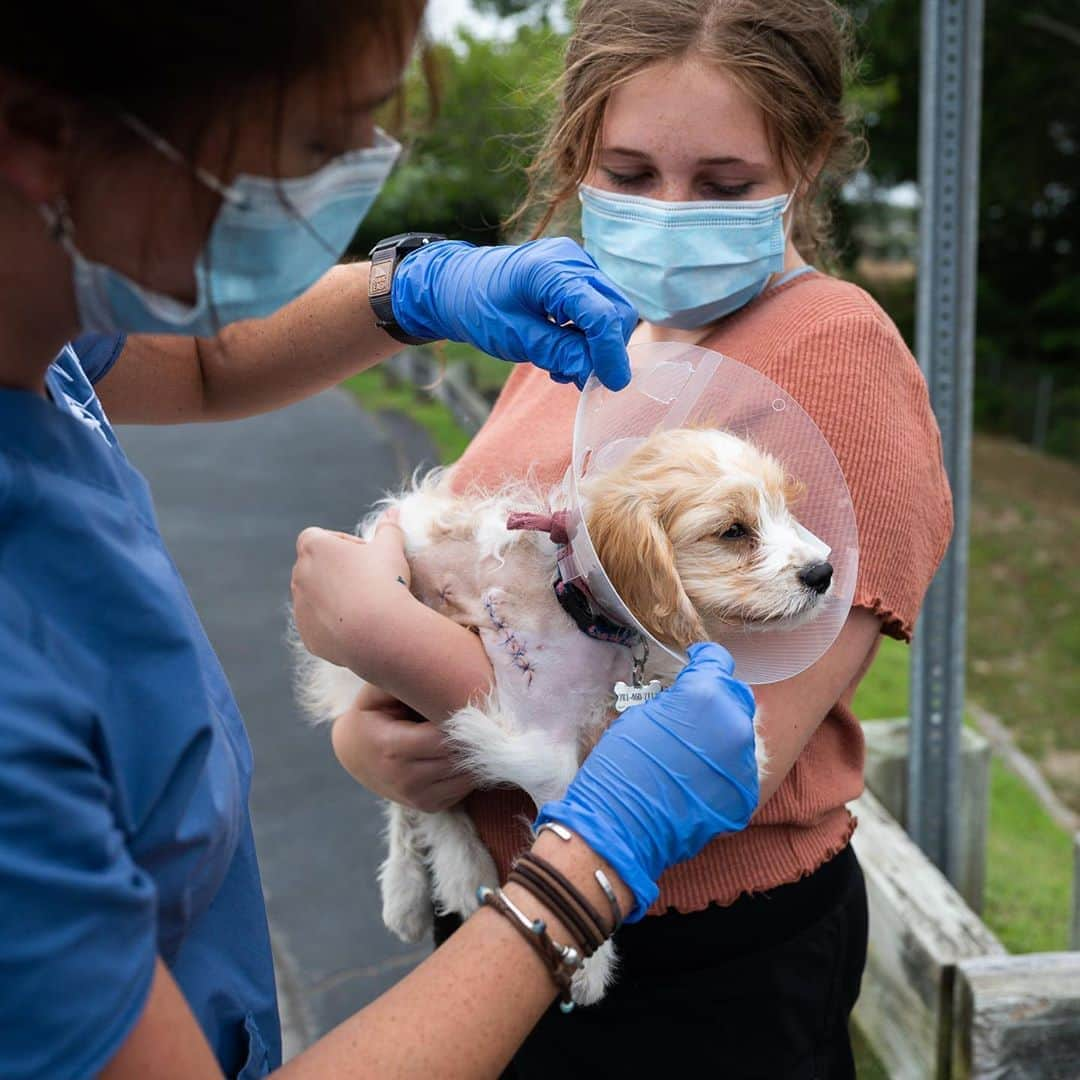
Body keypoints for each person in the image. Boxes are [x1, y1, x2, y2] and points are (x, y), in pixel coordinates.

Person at [0, 5, 762, 1078]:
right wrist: (582, 868)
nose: (338, 187)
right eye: (314, 146)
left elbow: (205, 363)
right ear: (43, 134)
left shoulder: (37, 327)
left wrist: (412, 288)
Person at [328, 1, 954, 1077]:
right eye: (625, 172)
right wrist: (375, 746)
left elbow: (721, 757)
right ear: (577, 159)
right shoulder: (574, 333)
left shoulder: (833, 355)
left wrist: (377, 640)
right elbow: (463, 555)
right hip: (495, 925)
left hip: (685, 967)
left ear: (803, 162)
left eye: (722, 184)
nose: (669, 213)